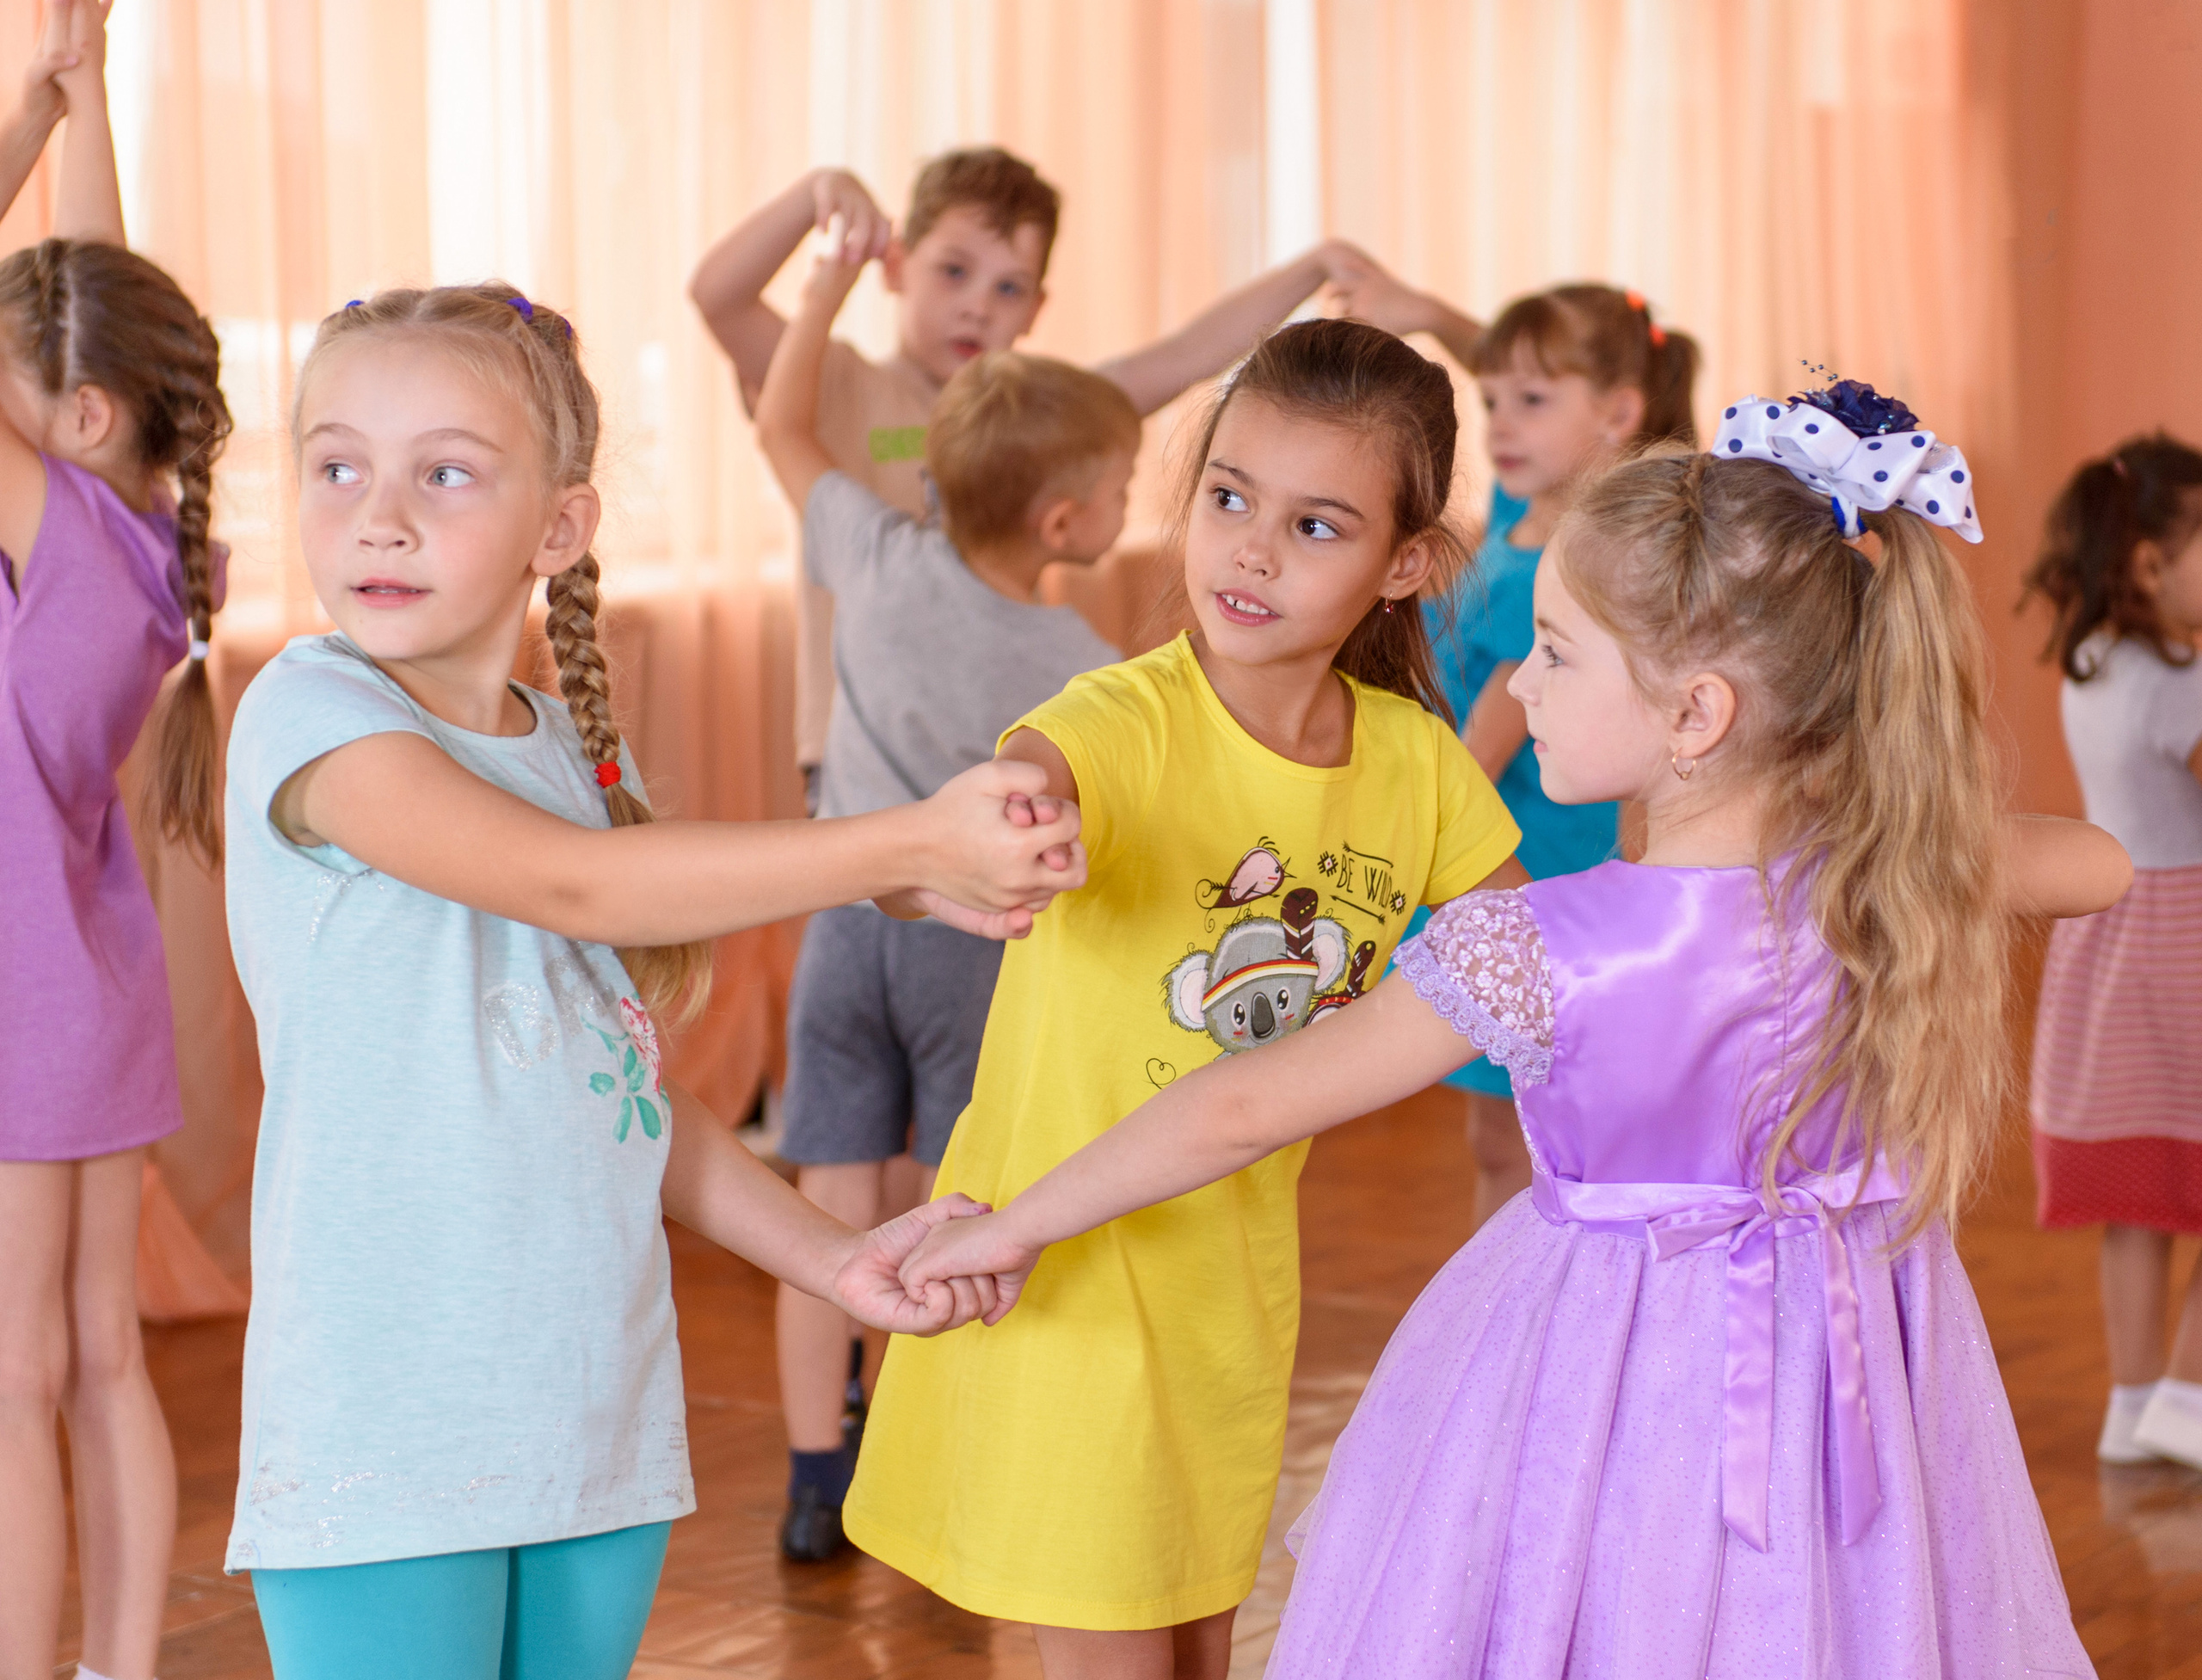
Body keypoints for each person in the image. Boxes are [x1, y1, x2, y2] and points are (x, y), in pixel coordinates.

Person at [901, 386, 2130, 1676]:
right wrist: (1892, 826)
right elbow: (2097, 863)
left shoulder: (1543, 950)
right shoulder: (1887, 883)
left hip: (1608, 1397)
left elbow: (1239, 1104)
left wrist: (1008, 1225)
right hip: (1848, 1390)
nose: (1517, 683)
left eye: (1554, 652)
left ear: (1696, 715)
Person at [220, 280, 1085, 1680]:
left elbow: (615, 1097)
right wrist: (902, 846)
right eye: (336, 465)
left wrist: (837, 1258)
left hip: (588, 1420)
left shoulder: (556, 750)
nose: (378, 513)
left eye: (444, 471)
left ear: (560, 527)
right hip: (387, 1425)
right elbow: (577, 886)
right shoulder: (310, 715)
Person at [845, 318, 1526, 1677]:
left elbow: (1539, 962)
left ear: (1404, 566)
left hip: (1229, 1299)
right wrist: (970, 849)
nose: (1253, 551)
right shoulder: (1120, 717)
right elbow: (986, 812)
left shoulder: (1419, 767)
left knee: (1199, 1654)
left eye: (1316, 525)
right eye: (1228, 499)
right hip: (1050, 1281)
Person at [751, 239, 1135, 1559]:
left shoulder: (874, 553)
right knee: (955, 1204)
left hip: (840, 931)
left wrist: (822, 290)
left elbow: (782, 424)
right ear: (1069, 523)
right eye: (1126, 485)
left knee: (830, 1205)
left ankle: (813, 1477)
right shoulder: (1086, 667)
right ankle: (924, 1453)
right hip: (967, 951)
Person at [690, 145, 1375, 803]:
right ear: (895, 265)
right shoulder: (841, 384)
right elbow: (718, 297)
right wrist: (819, 193)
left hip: (997, 743)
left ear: (1035, 310)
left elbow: (1185, 355)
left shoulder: (1045, 416)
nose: (978, 306)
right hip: (869, 757)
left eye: (1008, 287)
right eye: (953, 271)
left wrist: (1312, 266)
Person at [0, 6, 231, 1677]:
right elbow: (114, 306)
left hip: (24, 993)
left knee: (13, 1374)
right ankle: (116, 1667)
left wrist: (23, 109)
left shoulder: (56, 523)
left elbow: (97, 316)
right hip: (97, 977)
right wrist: (85, 107)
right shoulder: (155, 548)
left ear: (74, 419)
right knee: (96, 1355)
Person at [1331, 262, 1701, 1227]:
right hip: (1511, 881)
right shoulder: (1523, 515)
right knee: (1499, 1136)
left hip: (1533, 881)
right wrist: (1429, 318)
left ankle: (1535, 1293)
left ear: (1618, 413)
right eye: (1490, 399)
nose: (1498, 423)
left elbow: (1468, 768)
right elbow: (1519, 385)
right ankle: (1514, 1291)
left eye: (1530, 402)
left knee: (1538, 1132)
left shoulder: (1550, 561)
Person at [2024, 434, 2202, 1470]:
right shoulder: (2179, 682)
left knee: (2141, 1201)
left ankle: (2133, 1402)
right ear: (2149, 564)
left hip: (2115, 936)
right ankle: (2187, 1387)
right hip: (2185, 945)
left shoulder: (2091, 668)